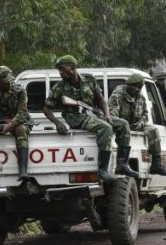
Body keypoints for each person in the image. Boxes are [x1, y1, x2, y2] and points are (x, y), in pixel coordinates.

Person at [43, 55, 137, 183]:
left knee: (123, 124)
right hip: (75, 117)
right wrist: (58, 123)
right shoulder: (59, 87)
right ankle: (102, 170)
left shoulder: (89, 80)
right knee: (106, 128)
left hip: (92, 113)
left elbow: (101, 100)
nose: (60, 72)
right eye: (59, 70)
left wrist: (107, 114)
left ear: (73, 67)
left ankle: (122, 164)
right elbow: (46, 109)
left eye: (63, 69)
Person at [108, 74, 166, 176]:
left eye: (139, 87)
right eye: (134, 86)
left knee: (153, 130)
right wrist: (122, 124)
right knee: (124, 126)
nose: (136, 89)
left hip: (136, 125)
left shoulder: (141, 98)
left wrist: (141, 123)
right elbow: (112, 114)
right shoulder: (118, 95)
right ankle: (122, 164)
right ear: (128, 85)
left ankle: (156, 165)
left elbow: (146, 114)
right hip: (122, 125)